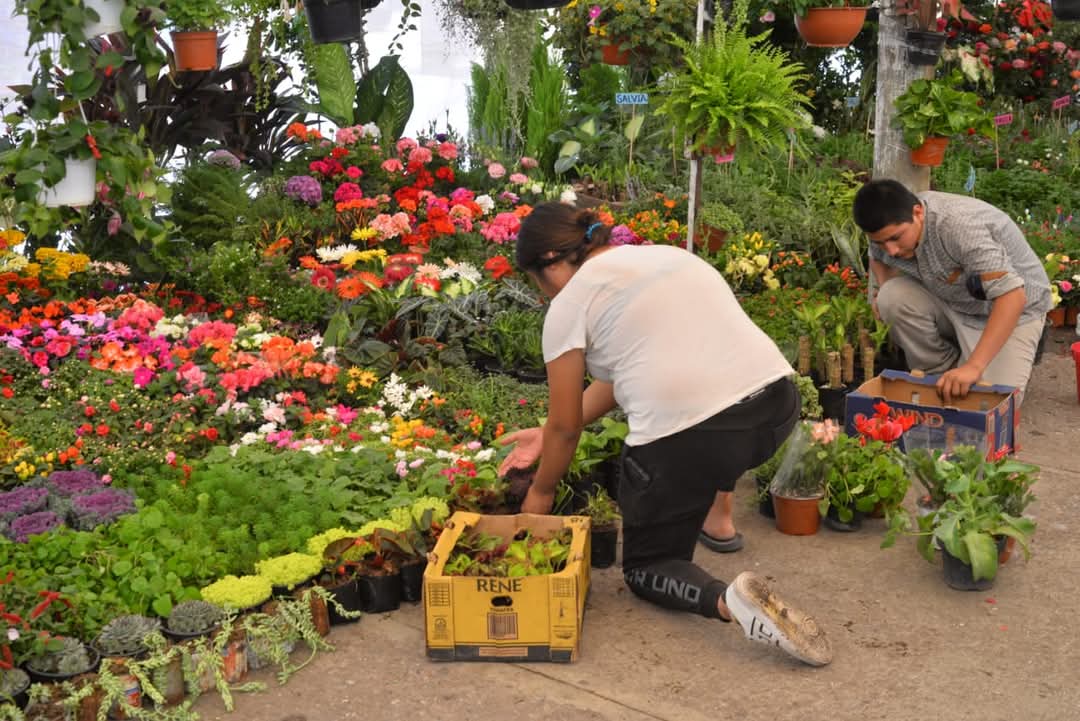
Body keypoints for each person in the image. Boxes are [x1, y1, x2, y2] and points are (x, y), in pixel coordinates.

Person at [496, 202, 831, 667]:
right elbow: (624, 374)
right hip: (775, 410)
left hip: (697, 439)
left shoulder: (570, 305)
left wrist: (540, 496)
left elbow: (565, 424)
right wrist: (542, 433)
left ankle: (730, 601)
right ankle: (717, 512)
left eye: (538, 281)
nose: (544, 295)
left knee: (645, 567)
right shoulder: (667, 257)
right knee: (710, 431)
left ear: (551, 262)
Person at [852, 179, 1051, 404]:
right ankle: (940, 373)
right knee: (891, 296)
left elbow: (1013, 297)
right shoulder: (886, 234)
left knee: (990, 401)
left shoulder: (958, 226)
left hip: (1013, 311)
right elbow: (878, 258)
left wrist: (974, 366)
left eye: (896, 238)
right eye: (880, 242)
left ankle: (968, 367)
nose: (892, 250)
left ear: (917, 212)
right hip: (954, 300)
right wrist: (882, 286)